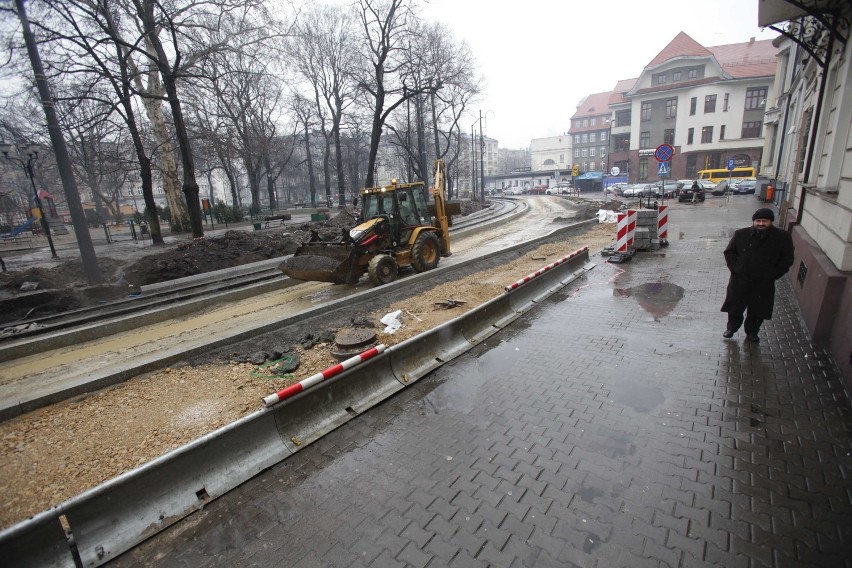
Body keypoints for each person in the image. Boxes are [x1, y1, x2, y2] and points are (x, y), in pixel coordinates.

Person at [721, 208, 795, 342]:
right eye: (758, 221)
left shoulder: (782, 237)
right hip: (740, 279)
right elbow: (729, 253)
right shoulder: (741, 234)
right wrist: (736, 269)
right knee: (735, 306)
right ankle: (731, 328)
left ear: (770, 222)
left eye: (764, 221)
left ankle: (752, 332)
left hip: (764, 281)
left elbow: (787, 259)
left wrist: (773, 274)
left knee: (758, 309)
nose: (761, 224)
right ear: (753, 221)